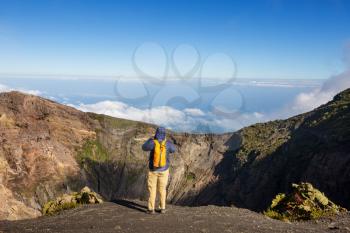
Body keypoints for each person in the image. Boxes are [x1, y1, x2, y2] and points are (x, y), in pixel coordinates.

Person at [142, 127, 176, 214]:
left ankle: (151, 209)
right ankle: (162, 208)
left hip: (153, 170)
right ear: (164, 134)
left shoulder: (152, 142)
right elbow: (173, 150)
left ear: (156, 133)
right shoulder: (167, 143)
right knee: (162, 189)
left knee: (152, 189)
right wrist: (166, 142)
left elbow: (144, 147)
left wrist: (150, 139)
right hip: (164, 170)